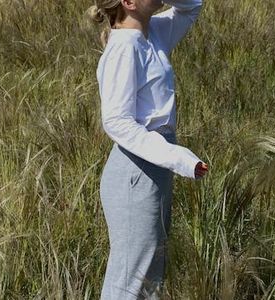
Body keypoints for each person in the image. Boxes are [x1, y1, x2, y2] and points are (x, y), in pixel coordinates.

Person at [88, 0, 208, 298]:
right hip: (135, 173)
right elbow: (116, 122)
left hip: (154, 168)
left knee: (150, 280)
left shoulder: (154, 33)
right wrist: (177, 157)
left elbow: (192, 6)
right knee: (130, 282)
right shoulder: (124, 48)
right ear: (128, 3)